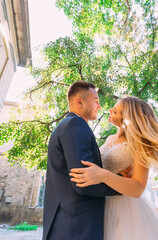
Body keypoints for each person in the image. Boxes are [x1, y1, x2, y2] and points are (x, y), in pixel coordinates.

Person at [70, 96, 158, 240]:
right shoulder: (109, 139)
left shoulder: (139, 145)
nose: (109, 110)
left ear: (126, 119)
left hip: (124, 209)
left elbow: (138, 188)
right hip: (101, 204)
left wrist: (104, 175)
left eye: (115, 111)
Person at [42, 81, 122, 240]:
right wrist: (123, 185)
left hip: (68, 225)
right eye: (96, 101)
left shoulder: (67, 125)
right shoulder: (75, 124)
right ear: (80, 101)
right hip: (76, 227)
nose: (99, 107)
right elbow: (83, 182)